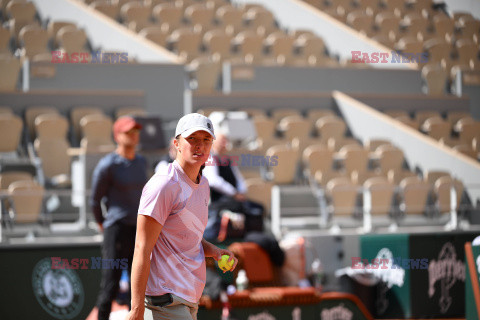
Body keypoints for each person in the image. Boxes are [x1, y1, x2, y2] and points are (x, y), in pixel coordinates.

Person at [127, 113, 237, 320]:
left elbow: (188, 236)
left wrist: (213, 251)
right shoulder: (163, 185)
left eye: (206, 140)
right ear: (176, 143)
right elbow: (142, 248)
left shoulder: (203, 184)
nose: (200, 146)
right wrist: (136, 309)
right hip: (165, 301)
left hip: (188, 300)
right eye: (192, 139)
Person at [90, 116, 149, 320]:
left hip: (138, 233)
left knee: (138, 286)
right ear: (117, 136)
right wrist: (103, 225)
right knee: (110, 285)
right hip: (116, 231)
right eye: (128, 132)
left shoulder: (142, 162)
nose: (133, 136)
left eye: (136, 132)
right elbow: (94, 201)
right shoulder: (108, 165)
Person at [203, 133, 264, 240]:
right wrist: (234, 193)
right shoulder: (210, 159)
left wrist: (241, 192)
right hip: (220, 201)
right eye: (221, 141)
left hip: (235, 199)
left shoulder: (229, 160)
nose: (224, 144)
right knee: (237, 207)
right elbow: (214, 181)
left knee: (258, 208)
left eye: (225, 141)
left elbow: (240, 180)